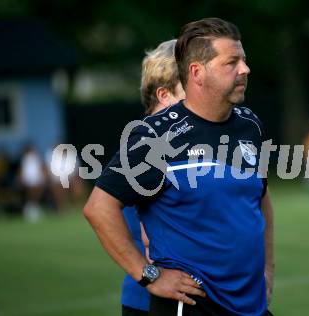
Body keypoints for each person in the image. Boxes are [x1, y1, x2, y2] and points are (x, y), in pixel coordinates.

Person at [84, 17, 274, 316]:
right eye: (232, 62)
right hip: (190, 305)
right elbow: (99, 207)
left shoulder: (250, 125)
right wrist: (149, 276)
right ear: (197, 72)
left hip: (250, 305)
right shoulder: (155, 136)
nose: (245, 69)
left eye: (244, 61)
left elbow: (260, 200)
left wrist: (267, 267)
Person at [121, 39, 186, 316]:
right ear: (164, 95)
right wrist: (150, 277)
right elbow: (99, 212)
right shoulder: (149, 143)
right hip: (153, 301)